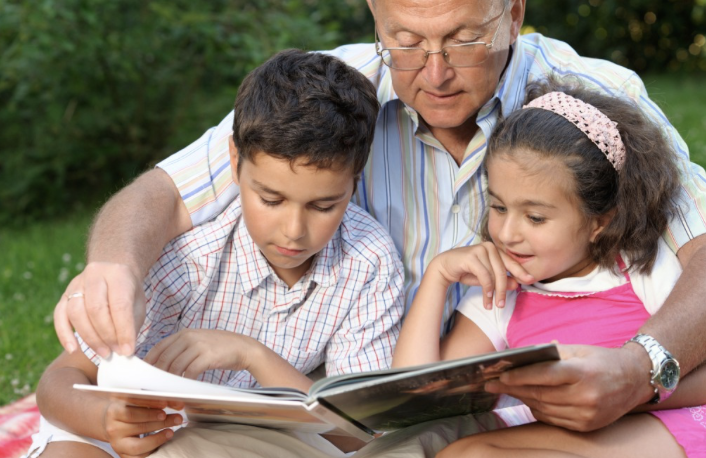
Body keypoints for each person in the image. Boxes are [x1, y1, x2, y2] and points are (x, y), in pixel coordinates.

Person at [55, 0, 706, 434]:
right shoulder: (334, 95)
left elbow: (700, 250)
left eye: (464, 39)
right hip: (366, 384)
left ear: (513, 12)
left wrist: (646, 366)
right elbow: (162, 193)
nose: (436, 71)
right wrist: (113, 266)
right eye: (405, 40)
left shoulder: (591, 100)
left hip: (517, 384)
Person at [24, 49, 404, 458]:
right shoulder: (189, 259)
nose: (294, 231)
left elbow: (356, 431)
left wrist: (251, 355)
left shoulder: (369, 263)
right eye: (271, 200)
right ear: (235, 161)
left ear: (355, 179)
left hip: (237, 441)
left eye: (323, 206)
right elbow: (61, 379)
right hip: (114, 428)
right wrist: (106, 420)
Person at [383, 79, 706, 457]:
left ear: (599, 221)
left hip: (673, 425)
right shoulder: (500, 293)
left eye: (535, 218)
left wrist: (627, 394)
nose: (506, 233)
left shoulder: (641, 271)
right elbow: (416, 403)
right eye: (499, 207)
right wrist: (437, 277)